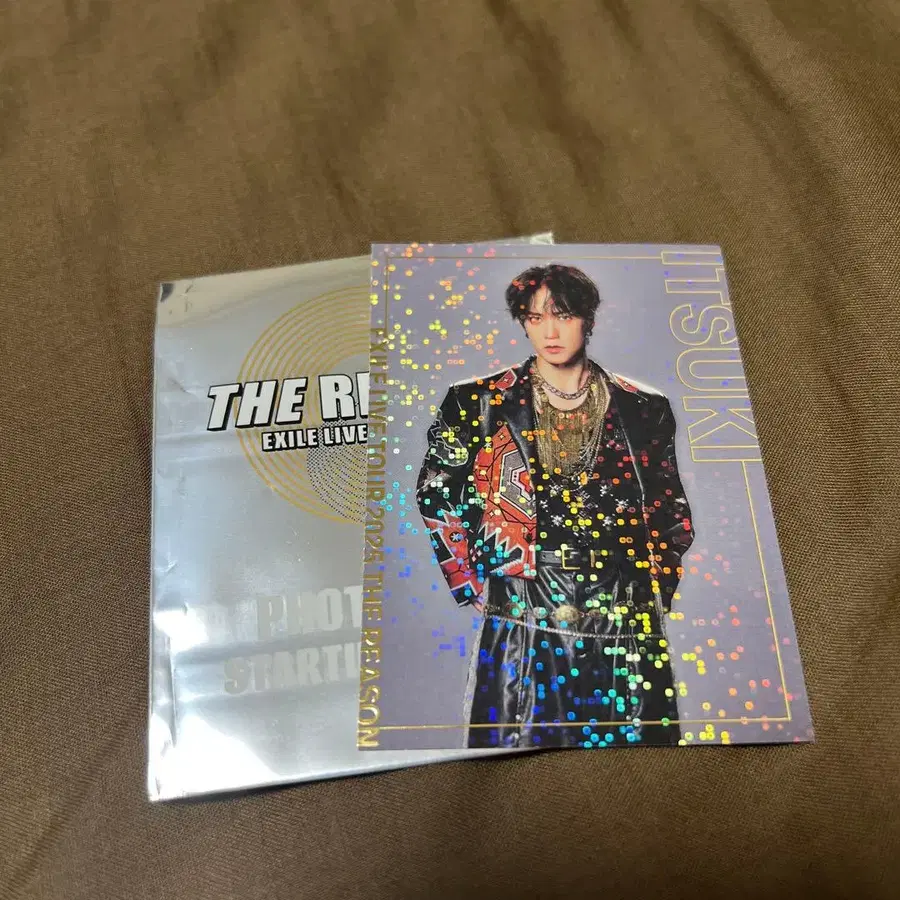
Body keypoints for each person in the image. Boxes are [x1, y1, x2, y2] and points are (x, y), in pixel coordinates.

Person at [415, 264, 694, 749]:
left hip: (622, 600)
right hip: (525, 596)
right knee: (517, 747)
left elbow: (670, 508)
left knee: (635, 751)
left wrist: (656, 586)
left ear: (588, 319)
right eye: (535, 317)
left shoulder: (643, 408)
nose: (550, 331)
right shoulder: (476, 402)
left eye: (563, 316)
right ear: (523, 322)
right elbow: (435, 489)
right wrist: (468, 575)